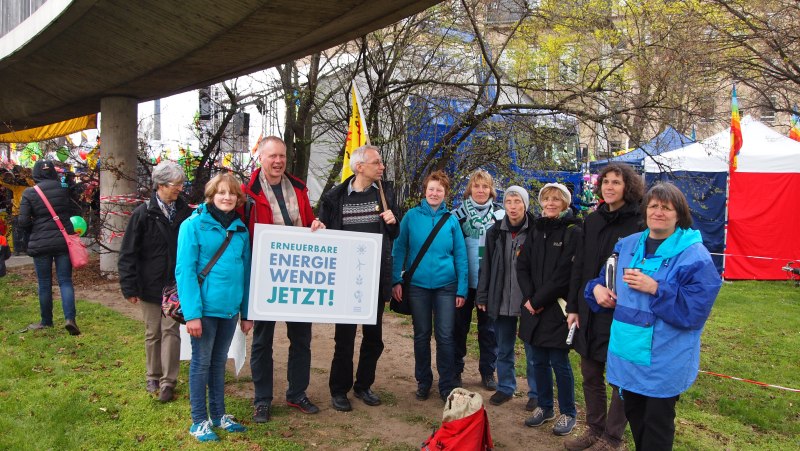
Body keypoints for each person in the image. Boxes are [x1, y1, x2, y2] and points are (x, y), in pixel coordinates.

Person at [585, 183, 721, 450]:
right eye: (653, 206)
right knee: (636, 422)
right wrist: (596, 289)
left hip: (664, 361)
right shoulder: (627, 245)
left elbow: (695, 310)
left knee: (657, 430)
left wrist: (656, 288)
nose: (658, 212)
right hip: (628, 356)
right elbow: (603, 280)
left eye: (666, 208)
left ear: (679, 214)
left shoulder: (694, 256)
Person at [242, 136, 324, 422]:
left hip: (297, 275)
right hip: (263, 276)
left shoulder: (299, 188)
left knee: (301, 338)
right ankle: (262, 399)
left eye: (282, 156)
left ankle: (297, 393)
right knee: (262, 341)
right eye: (272, 156)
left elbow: (310, 221)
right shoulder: (247, 193)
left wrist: (316, 225)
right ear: (260, 158)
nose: (278, 161)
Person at [565, 163, 644, 451]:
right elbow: (581, 267)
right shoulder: (592, 220)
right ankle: (594, 430)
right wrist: (573, 306)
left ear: (628, 187)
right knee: (590, 371)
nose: (609, 187)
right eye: (606, 182)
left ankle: (613, 438)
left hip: (623, 312)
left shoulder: (638, 222)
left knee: (619, 376)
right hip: (589, 306)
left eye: (616, 182)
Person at [317, 145, 399, 412]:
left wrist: (392, 222)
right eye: (377, 162)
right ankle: (339, 390)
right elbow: (323, 234)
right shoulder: (334, 198)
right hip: (346, 281)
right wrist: (318, 226)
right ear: (360, 167)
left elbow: (394, 234)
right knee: (345, 338)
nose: (382, 166)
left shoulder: (386, 194)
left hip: (374, 279)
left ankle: (363, 385)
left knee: (374, 337)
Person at [176, 173, 253, 442]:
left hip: (230, 310)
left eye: (232, 193)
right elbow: (184, 271)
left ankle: (219, 415)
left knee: (219, 362)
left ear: (238, 198)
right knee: (201, 363)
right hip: (205, 310)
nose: (227, 197)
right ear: (211, 195)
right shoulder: (193, 225)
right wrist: (192, 315)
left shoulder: (240, 228)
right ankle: (199, 420)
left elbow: (246, 272)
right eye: (221, 192)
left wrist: (247, 311)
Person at [118, 161, 193, 402]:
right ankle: (153, 374)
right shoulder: (142, 213)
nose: (179, 189)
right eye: (175, 185)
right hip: (149, 283)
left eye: (182, 184)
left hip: (175, 283)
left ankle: (168, 382)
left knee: (172, 331)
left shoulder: (186, 213)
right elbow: (128, 251)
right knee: (153, 332)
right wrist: (129, 286)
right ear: (160, 185)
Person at [392, 170, 468, 401]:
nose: (434, 193)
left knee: (445, 335)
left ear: (445, 193)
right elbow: (399, 248)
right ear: (425, 191)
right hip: (417, 286)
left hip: (447, 285)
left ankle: (446, 384)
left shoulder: (452, 220)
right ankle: (423, 381)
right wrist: (396, 279)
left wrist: (462, 288)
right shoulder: (411, 217)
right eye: (431, 189)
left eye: (439, 190)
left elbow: (461, 256)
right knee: (421, 335)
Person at [517, 183, 581, 436]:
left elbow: (565, 274)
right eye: (546, 199)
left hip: (557, 308)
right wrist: (529, 298)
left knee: (559, 362)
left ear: (565, 203)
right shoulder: (536, 229)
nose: (551, 203)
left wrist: (538, 300)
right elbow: (522, 265)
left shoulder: (573, 231)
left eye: (556, 199)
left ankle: (568, 412)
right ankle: (545, 407)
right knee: (537, 360)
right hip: (533, 307)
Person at [475, 186, 538, 410]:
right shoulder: (494, 232)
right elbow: (486, 266)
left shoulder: (536, 230)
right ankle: (506, 387)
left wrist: (539, 298)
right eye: (509, 201)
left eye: (517, 201)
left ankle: (536, 392)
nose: (513, 206)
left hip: (529, 301)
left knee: (532, 349)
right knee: (503, 347)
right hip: (500, 298)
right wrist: (482, 295)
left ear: (525, 205)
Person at [451, 169, 502, 391]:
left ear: (491, 190)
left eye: (485, 186)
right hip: (463, 281)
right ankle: (455, 370)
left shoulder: (501, 215)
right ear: (469, 189)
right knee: (458, 328)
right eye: (476, 186)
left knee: (489, 330)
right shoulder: (457, 215)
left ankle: (488, 371)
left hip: (489, 282)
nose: (480, 190)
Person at [18, 160, 80, 335]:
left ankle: (46, 321)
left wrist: (35, 229)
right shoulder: (64, 190)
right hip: (63, 241)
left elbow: (22, 221)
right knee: (65, 281)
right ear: (53, 172)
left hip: (40, 242)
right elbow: (75, 212)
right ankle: (70, 319)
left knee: (44, 283)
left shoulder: (29, 193)